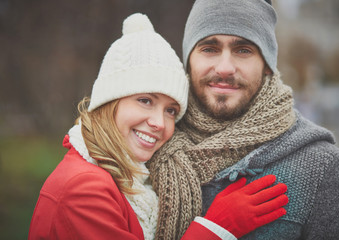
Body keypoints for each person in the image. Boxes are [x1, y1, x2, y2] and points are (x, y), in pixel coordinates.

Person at [28, 13, 289, 240]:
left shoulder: (125, 176)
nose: (158, 123)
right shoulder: (83, 189)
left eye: (170, 111)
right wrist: (219, 226)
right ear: (109, 102)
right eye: (145, 101)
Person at [147, 0, 339, 239]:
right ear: (189, 60)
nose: (225, 68)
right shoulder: (147, 144)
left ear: (267, 65)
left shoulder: (322, 167)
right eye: (209, 48)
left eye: (243, 50)